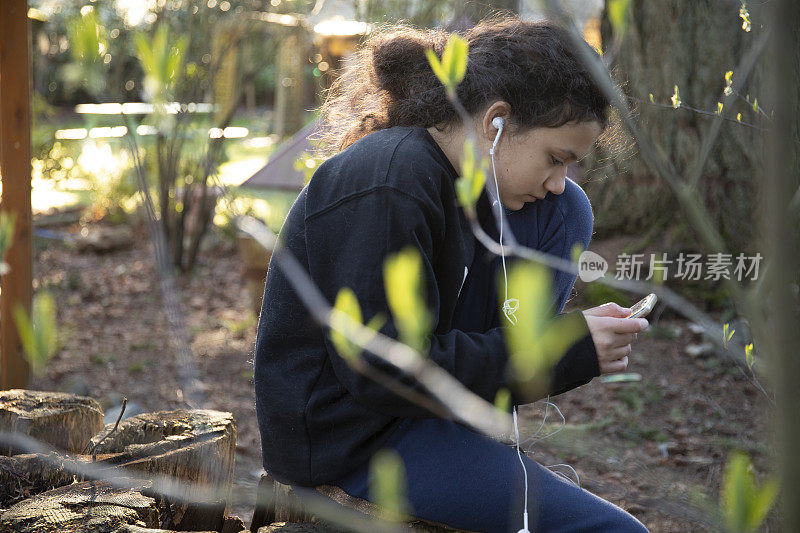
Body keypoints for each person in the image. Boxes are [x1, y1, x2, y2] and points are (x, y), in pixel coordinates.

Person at [254, 14, 650, 533]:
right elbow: (383, 370)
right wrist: (566, 350)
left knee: (566, 210)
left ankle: (477, 439)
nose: (558, 180)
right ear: (496, 123)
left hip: (424, 420)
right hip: (355, 443)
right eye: (555, 159)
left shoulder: (481, 185)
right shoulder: (391, 180)